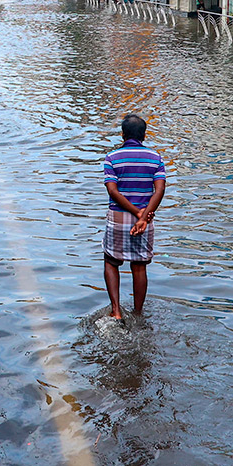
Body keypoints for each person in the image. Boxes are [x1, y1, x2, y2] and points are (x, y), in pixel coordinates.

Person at [102, 114, 166, 319]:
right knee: (139, 266)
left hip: (119, 216)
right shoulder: (156, 158)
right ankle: (138, 313)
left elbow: (113, 191)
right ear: (144, 136)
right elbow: (159, 191)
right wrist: (143, 216)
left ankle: (116, 310)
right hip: (145, 220)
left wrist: (136, 212)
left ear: (123, 135)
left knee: (111, 261)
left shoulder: (112, 158)